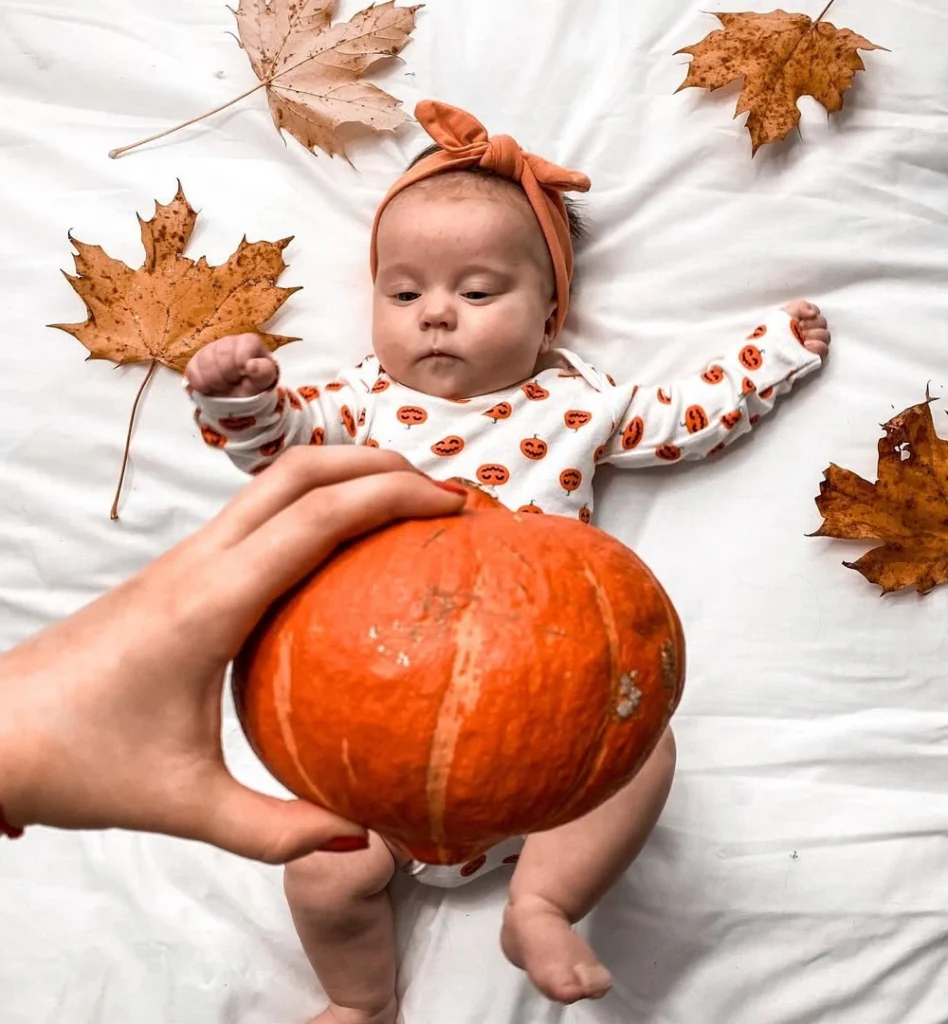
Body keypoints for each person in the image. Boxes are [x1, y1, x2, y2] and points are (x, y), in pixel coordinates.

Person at [184, 100, 833, 1021]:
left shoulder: (576, 403)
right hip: (369, 722)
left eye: (479, 293)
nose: (437, 315)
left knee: (644, 753)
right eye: (403, 295)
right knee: (325, 876)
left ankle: (542, 902)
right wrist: (242, 395)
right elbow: (276, 445)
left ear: (549, 315)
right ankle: (360, 1000)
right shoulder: (357, 403)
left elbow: (687, 421)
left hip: (542, 726)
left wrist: (768, 355)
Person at [0, 447, 467, 863]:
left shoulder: (543, 404)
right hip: (367, 790)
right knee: (330, 882)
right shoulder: (363, 393)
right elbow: (281, 437)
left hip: (514, 813)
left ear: (544, 342)